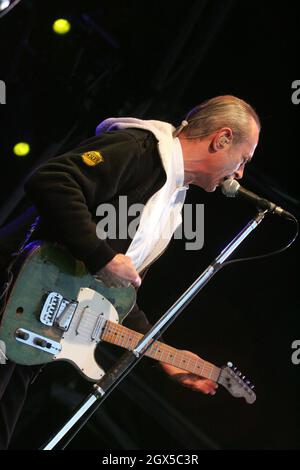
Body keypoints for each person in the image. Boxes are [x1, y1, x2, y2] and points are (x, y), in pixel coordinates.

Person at [0, 95, 260, 449]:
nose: (241, 173)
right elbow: (52, 179)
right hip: (11, 291)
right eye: (243, 159)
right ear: (222, 138)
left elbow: (116, 295)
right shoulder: (139, 150)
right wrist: (101, 255)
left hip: (32, 328)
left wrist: (162, 355)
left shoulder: (172, 204)